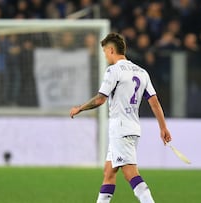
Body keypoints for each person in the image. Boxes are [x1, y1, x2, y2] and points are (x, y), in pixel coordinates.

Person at [70, 32, 172, 203]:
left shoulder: (113, 71)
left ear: (111, 50)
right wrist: (163, 127)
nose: (105, 56)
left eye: (104, 52)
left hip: (120, 128)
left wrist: (80, 108)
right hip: (132, 128)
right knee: (108, 172)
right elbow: (154, 102)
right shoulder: (142, 72)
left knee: (130, 173)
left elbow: (101, 99)